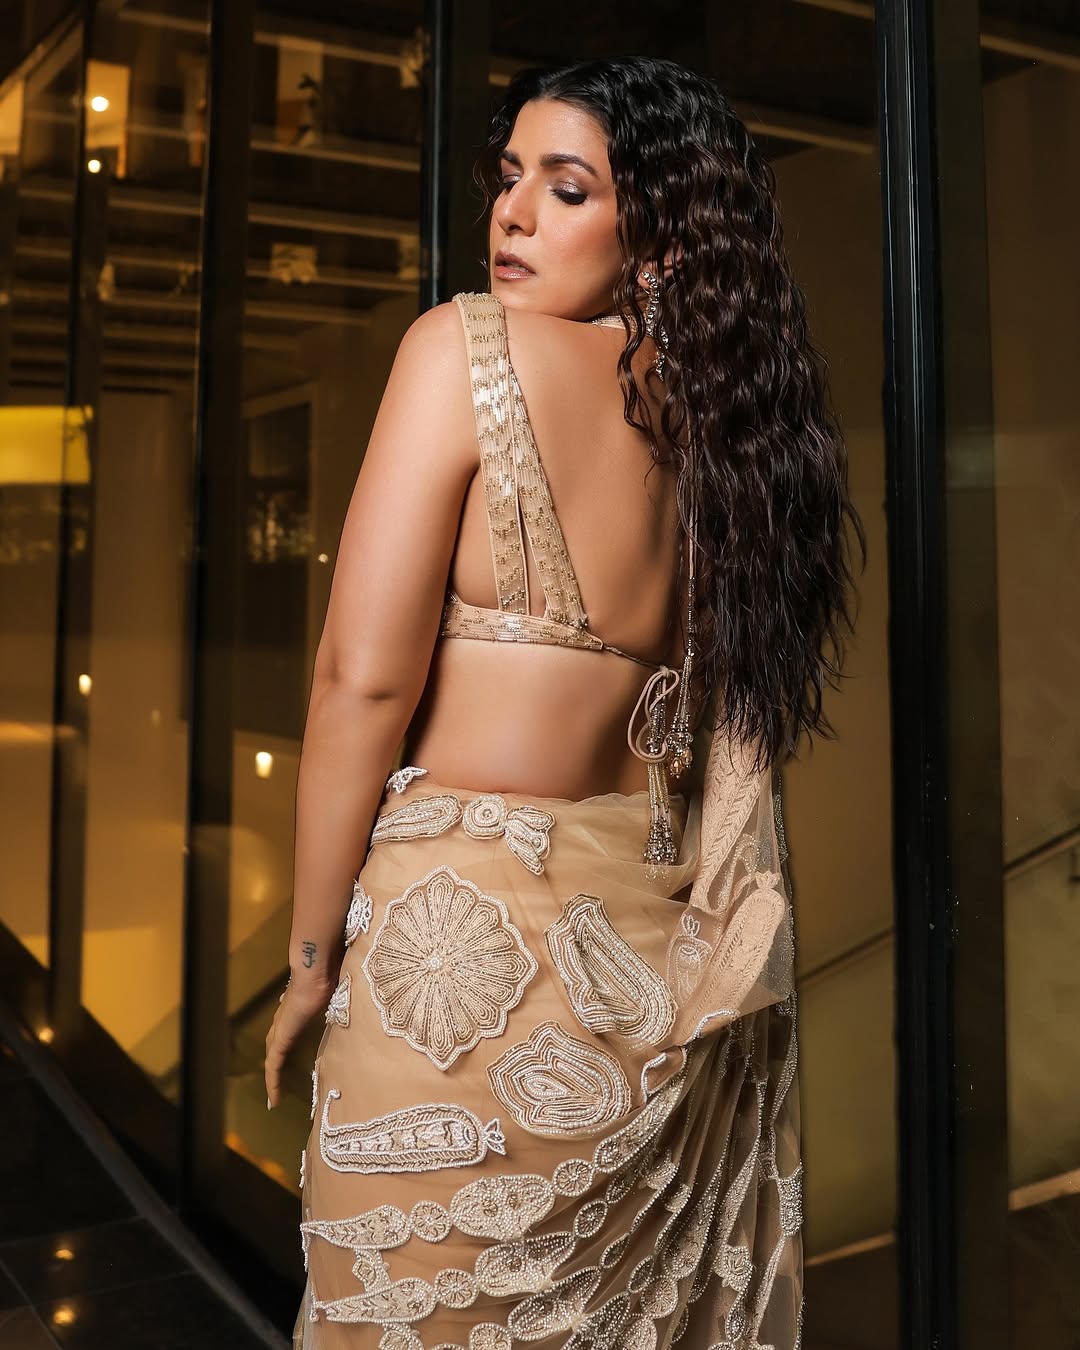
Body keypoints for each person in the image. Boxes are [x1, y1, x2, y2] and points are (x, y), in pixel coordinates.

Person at [264, 55, 864, 1350]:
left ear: (659, 233)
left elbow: (362, 678)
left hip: (454, 970)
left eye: (568, 187)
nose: (514, 213)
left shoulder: (462, 349)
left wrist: (310, 957)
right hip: (647, 973)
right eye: (510, 177)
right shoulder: (731, 431)